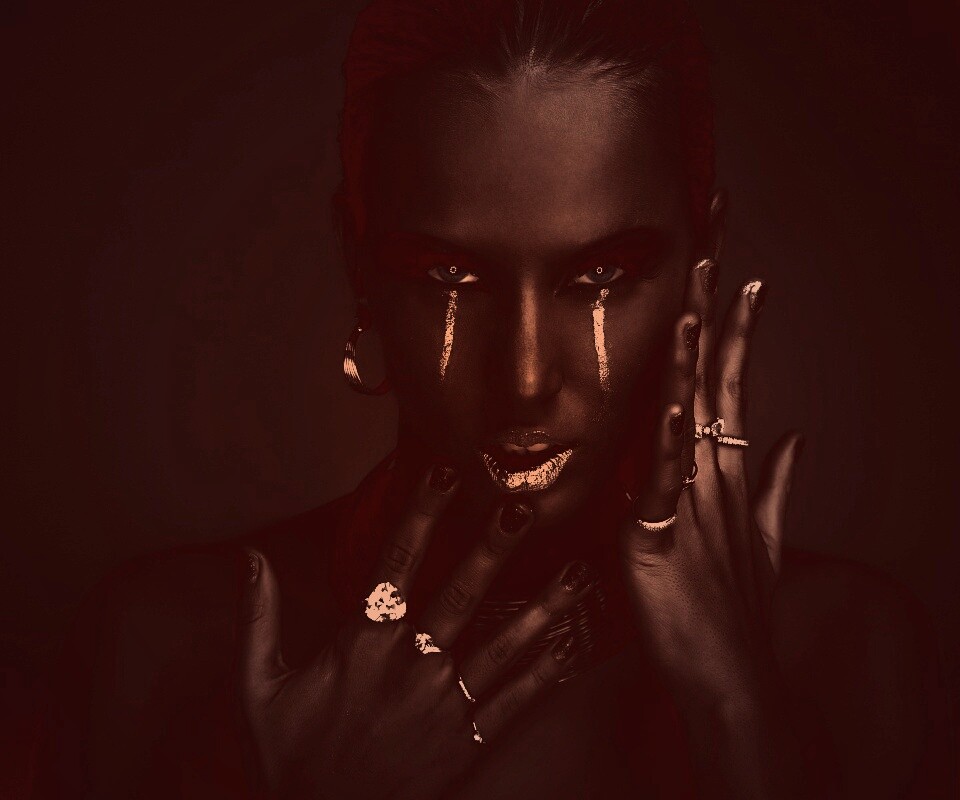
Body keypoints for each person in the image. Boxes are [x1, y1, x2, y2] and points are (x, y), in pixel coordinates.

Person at [36, 0, 948, 797]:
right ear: (359, 263)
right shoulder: (164, 654)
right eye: (450, 275)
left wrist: (737, 723)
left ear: (701, 259)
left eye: (600, 275)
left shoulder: (846, 661)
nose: (523, 377)